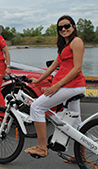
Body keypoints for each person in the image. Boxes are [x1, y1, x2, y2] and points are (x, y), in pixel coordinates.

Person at [24, 15, 86, 159]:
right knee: (77, 124)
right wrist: (38, 80)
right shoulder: (64, 46)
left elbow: (77, 69)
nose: (63, 29)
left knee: (36, 107)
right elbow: (53, 67)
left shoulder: (76, 41)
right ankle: (81, 155)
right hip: (71, 86)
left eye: (67, 26)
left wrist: (57, 86)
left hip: (70, 86)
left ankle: (41, 147)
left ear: (73, 27)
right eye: (60, 28)